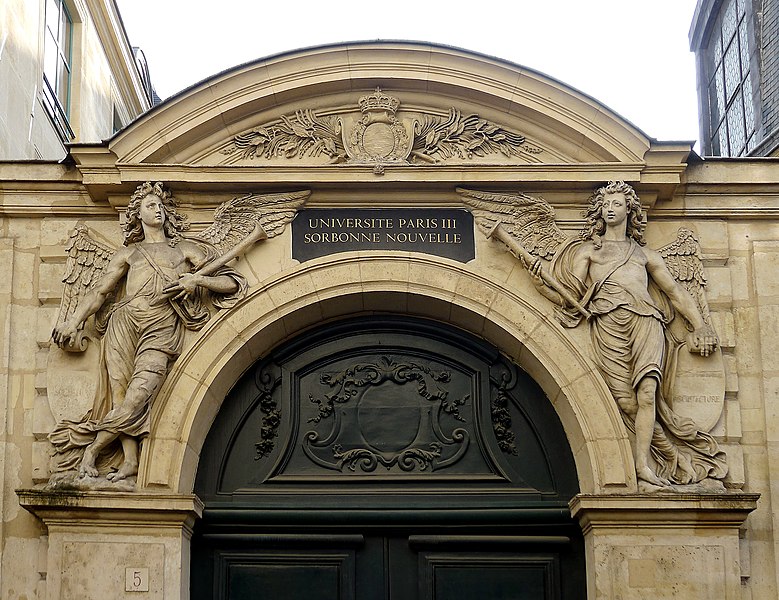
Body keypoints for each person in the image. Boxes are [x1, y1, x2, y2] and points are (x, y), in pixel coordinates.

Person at [529, 181, 726, 488]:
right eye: (605, 204)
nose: (610, 208)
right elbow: (571, 296)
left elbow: (675, 293)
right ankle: (671, 455)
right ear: (598, 210)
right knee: (626, 402)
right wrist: (543, 283)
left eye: (617, 204)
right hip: (608, 325)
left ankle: (643, 466)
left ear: (629, 210)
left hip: (645, 322)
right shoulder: (587, 253)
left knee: (646, 394)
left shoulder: (645, 255)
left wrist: (700, 325)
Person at [50, 182, 246, 482]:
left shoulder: (185, 249)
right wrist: (74, 321)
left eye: (160, 205)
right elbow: (100, 292)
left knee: (138, 394)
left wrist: (198, 282)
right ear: (137, 215)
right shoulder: (129, 254)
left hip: (162, 324)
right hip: (124, 323)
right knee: (120, 394)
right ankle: (129, 460)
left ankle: (92, 449)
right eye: (150, 206)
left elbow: (231, 282)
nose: (157, 210)